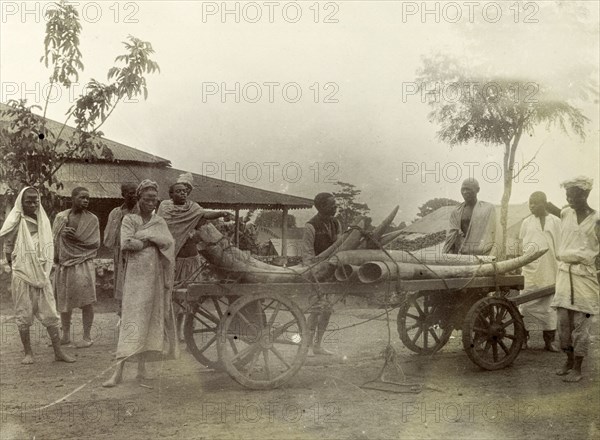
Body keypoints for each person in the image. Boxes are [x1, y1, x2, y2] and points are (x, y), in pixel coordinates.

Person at [103, 180, 178, 387]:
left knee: (149, 320)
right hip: (135, 278)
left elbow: (169, 244)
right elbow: (126, 243)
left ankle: (141, 369)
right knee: (132, 319)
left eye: (154, 199)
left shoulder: (159, 222)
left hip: (154, 277)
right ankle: (117, 373)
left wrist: (144, 240)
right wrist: (149, 241)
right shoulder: (129, 219)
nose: (151, 202)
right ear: (139, 199)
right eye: (147, 199)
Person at [0, 187, 76, 364]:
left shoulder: (43, 220)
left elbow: (48, 244)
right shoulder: (16, 221)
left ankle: (58, 352)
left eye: (36, 200)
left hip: (41, 273)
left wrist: (42, 266)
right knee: (23, 313)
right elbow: (8, 246)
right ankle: (28, 353)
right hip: (22, 274)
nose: (33, 204)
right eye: (29, 201)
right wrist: (18, 267)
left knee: (50, 312)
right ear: (21, 202)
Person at [156, 173, 230, 341]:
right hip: (172, 260)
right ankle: (169, 334)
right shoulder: (165, 208)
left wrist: (220, 213)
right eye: (180, 190)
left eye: (186, 190)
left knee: (189, 299)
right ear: (171, 194)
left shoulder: (193, 208)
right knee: (172, 298)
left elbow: (205, 215)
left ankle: (185, 332)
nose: (183, 193)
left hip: (191, 260)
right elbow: (161, 228)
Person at [551, 176, 599, 383]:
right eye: (568, 195)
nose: (570, 199)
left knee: (581, 323)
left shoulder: (596, 219)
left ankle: (578, 368)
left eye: (575, 195)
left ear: (586, 195)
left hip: (585, 275)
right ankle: (568, 361)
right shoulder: (564, 214)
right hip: (564, 273)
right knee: (563, 322)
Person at [53, 187, 100, 348]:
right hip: (64, 264)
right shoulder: (61, 217)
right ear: (72, 198)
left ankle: (86, 336)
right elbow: (53, 240)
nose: (86, 201)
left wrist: (77, 238)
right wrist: (62, 234)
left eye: (88, 198)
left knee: (87, 301)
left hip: (83, 263)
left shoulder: (92, 219)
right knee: (64, 301)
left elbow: (95, 244)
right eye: (82, 197)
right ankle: (65, 335)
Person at [518, 192, 560, 351]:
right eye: (530, 203)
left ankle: (549, 341)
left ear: (545, 203)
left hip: (550, 268)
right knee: (525, 303)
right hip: (530, 271)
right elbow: (521, 246)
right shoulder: (526, 222)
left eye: (535, 203)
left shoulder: (556, 221)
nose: (532, 206)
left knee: (550, 305)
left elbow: (560, 246)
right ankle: (522, 339)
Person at [302, 192, 340, 356]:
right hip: (315, 273)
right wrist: (315, 272)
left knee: (327, 310)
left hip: (331, 272)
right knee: (316, 310)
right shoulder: (310, 226)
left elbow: (339, 247)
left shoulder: (335, 223)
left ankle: (317, 345)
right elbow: (307, 255)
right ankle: (306, 346)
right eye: (332, 204)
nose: (335, 206)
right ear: (322, 206)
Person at [103, 183, 139, 309]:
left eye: (136, 192)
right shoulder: (116, 213)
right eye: (130, 193)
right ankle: (122, 314)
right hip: (121, 255)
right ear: (123, 194)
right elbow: (109, 238)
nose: (134, 196)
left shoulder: (142, 212)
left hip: (138, 253)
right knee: (122, 284)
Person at [443, 178, 497, 256]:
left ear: (478, 190)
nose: (465, 192)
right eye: (463, 189)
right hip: (461, 253)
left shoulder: (488, 209)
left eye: (468, 189)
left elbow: (493, 234)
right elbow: (451, 236)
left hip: (481, 254)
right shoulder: (456, 211)